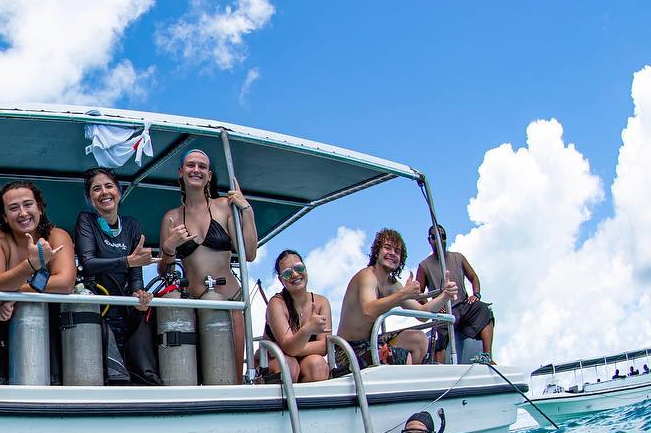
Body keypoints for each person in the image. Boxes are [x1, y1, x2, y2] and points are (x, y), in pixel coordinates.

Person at [157, 149, 258, 373]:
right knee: (197, 373)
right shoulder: (171, 217)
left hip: (230, 300)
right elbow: (165, 272)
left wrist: (247, 211)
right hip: (192, 304)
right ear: (181, 172)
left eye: (202, 167)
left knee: (231, 373)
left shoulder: (224, 206)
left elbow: (249, 254)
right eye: (191, 165)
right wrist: (169, 247)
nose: (196, 170)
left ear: (209, 175)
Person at [337, 228, 458, 369]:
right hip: (347, 351)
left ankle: (410, 384)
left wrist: (445, 296)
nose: (392, 254)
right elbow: (368, 311)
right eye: (387, 248)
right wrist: (403, 294)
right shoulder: (367, 276)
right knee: (400, 355)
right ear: (377, 252)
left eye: (397, 251)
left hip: (372, 342)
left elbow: (423, 313)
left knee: (419, 340)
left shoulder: (393, 286)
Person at [73, 167, 154, 371]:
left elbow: (136, 274)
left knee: (130, 371)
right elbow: (88, 263)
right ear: (90, 198)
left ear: (119, 191)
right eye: (96, 189)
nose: (104, 192)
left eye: (109, 186)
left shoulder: (132, 225)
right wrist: (127, 261)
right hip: (97, 310)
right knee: (103, 373)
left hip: (125, 310)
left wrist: (139, 293)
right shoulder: (86, 220)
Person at [0, 180, 76, 322]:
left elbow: (65, 283)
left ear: (40, 208)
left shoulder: (57, 236)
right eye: (13, 208)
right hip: (3, 323)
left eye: (28, 204)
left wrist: (16, 293)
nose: (23, 213)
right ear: (4, 216)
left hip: (52, 323)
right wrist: (31, 265)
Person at [415, 225, 495, 362]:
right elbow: (418, 294)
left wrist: (476, 295)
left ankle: (488, 357)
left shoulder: (458, 257)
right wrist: (432, 306)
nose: (440, 240)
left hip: (463, 305)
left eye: (443, 236)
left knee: (484, 310)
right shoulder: (424, 266)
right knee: (440, 331)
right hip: (443, 311)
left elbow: (474, 277)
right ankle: (441, 369)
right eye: (435, 237)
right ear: (429, 240)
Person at [263, 249, 332, 383]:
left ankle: (312, 404)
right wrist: (308, 329)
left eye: (299, 268)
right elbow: (290, 348)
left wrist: (289, 349)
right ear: (281, 279)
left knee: (317, 364)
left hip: (304, 360)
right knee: (288, 365)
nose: (295, 274)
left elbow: (324, 347)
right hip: (276, 362)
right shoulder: (276, 304)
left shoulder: (321, 303)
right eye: (287, 273)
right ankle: (284, 404)